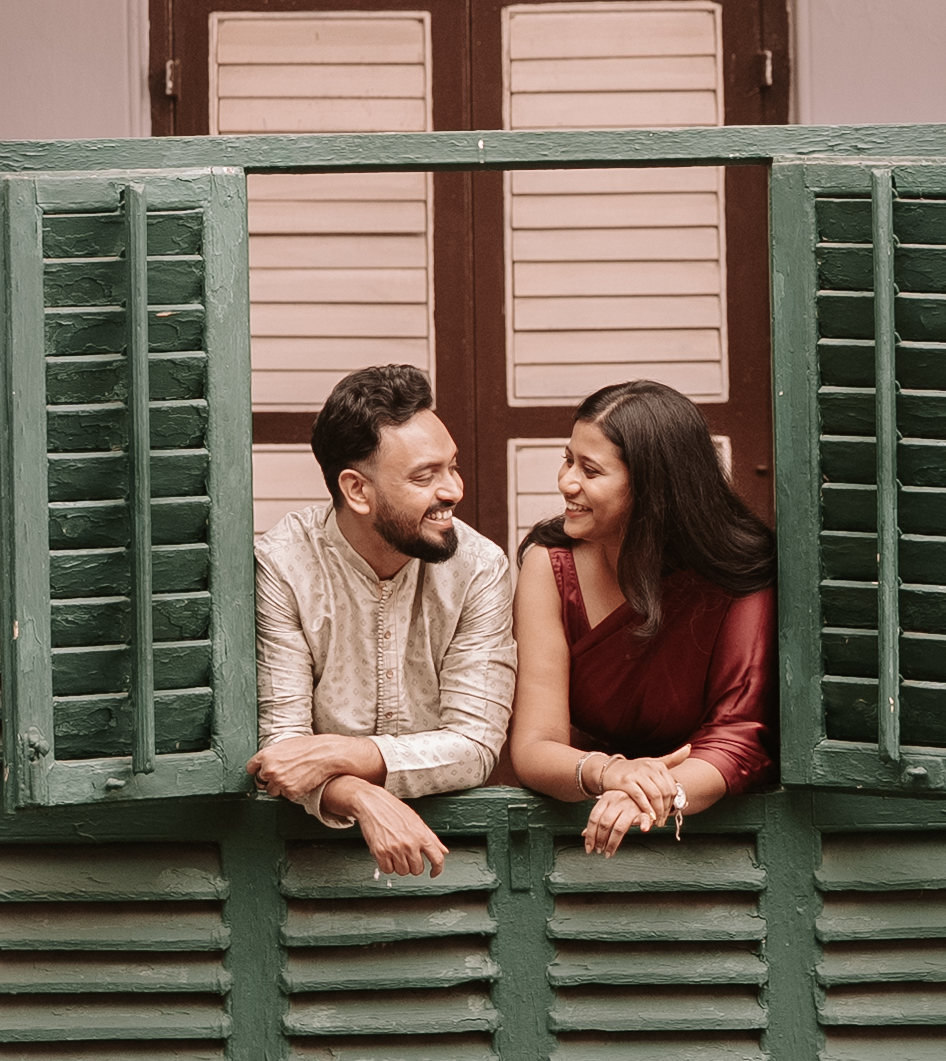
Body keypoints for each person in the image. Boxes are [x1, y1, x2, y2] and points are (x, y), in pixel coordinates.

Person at [249, 362, 515, 876]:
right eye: (425, 476)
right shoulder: (282, 565)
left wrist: (341, 757)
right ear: (357, 490)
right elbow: (282, 752)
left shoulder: (480, 567)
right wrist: (362, 799)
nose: (453, 491)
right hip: (301, 868)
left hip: (452, 859)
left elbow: (476, 745)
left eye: (452, 467)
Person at [506, 379, 776, 856]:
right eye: (569, 460)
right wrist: (611, 773)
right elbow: (534, 746)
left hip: (713, 839)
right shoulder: (549, 563)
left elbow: (739, 737)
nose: (566, 482)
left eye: (590, 470)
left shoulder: (737, 572)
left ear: (653, 487)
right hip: (578, 829)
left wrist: (656, 794)